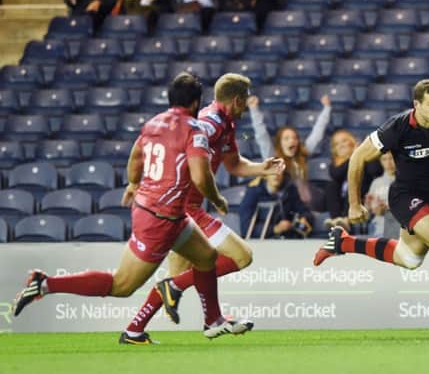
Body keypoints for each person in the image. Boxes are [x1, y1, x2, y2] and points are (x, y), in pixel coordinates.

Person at [12, 73, 251, 344]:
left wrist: (133, 182)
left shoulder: (153, 124)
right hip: (159, 219)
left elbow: (136, 155)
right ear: (196, 101)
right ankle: (44, 284)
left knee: (206, 257)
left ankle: (211, 321)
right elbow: (200, 176)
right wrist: (217, 199)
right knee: (121, 286)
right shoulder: (194, 129)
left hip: (167, 214)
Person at [313, 79, 429, 337]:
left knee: (409, 258)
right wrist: (354, 204)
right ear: (417, 105)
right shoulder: (397, 127)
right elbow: (357, 156)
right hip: (405, 196)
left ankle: (342, 243)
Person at [123, 73, 285, 336]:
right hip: (186, 208)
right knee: (241, 256)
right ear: (237, 100)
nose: (246, 106)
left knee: (178, 276)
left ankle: (134, 330)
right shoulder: (209, 123)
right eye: (245, 101)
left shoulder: (226, 124)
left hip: (184, 209)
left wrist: (262, 169)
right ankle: (206, 314)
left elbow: (233, 164)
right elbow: (182, 147)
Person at [247, 94, 331, 205]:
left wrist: (327, 109)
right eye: (286, 138)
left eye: (295, 138)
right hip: (286, 201)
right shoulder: (273, 157)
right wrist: (254, 109)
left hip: (307, 201)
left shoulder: (303, 153)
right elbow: (261, 135)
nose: (292, 141)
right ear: (279, 143)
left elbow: (317, 134)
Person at [325, 129, 382, 231]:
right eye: (337, 144)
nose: (341, 145)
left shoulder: (364, 155)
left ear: (352, 142)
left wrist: (362, 154)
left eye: (344, 141)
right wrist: (355, 156)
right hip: (342, 200)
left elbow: (375, 171)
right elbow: (336, 174)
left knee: (355, 180)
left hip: (361, 195)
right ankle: (337, 221)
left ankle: (346, 221)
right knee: (331, 186)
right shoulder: (334, 163)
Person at [239, 171, 314, 238]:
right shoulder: (254, 192)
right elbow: (245, 229)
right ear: (265, 175)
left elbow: (304, 211)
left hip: (287, 239)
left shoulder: (289, 189)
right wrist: (275, 229)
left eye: (279, 171)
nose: (276, 175)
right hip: (264, 241)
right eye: (272, 172)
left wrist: (305, 219)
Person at [364, 151, 396, 237]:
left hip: (397, 226)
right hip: (377, 226)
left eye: (391, 158)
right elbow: (367, 214)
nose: (388, 163)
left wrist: (387, 209)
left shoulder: (405, 181)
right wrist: (368, 205)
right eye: (384, 159)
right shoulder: (376, 182)